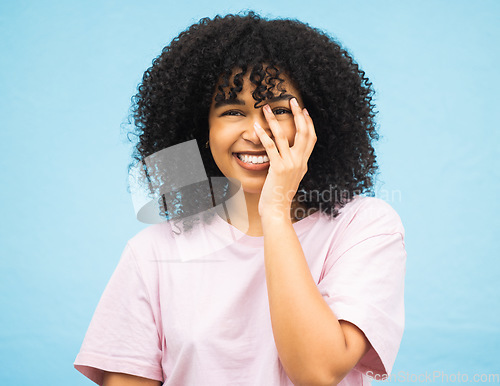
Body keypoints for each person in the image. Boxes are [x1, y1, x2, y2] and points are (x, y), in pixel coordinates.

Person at [74, 11, 406, 386]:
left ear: (316, 123)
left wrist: (276, 210)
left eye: (279, 110)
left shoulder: (364, 228)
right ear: (204, 131)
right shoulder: (152, 253)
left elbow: (317, 372)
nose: (256, 132)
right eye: (233, 111)